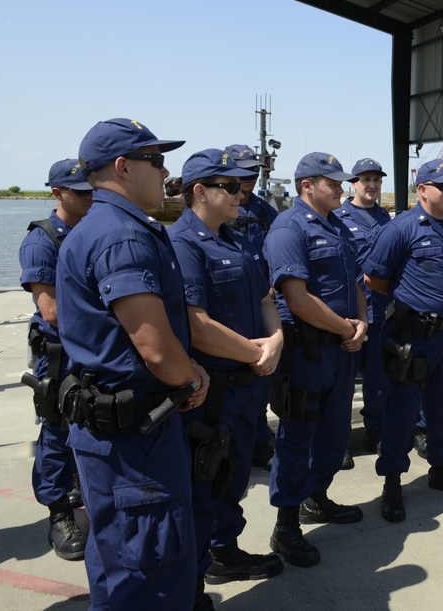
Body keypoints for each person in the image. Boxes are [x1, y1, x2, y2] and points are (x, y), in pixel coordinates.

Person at [57, 118, 209, 609]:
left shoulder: (98, 227)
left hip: (117, 434)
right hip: (135, 442)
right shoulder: (122, 235)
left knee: (118, 568)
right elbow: (156, 349)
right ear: (123, 167)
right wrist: (193, 376)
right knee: (152, 574)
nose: (166, 172)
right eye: (157, 160)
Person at [168, 149, 285, 588]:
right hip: (213, 393)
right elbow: (197, 326)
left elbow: (265, 299)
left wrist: (276, 339)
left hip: (246, 387)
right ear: (200, 191)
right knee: (204, 485)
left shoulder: (237, 239)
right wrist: (257, 354)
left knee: (232, 478)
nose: (243, 193)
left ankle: (224, 550)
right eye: (232, 187)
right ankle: (194, 579)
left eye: (242, 185)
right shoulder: (184, 244)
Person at [263, 152, 367, 568]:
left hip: (340, 349)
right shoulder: (288, 229)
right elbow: (297, 299)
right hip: (307, 350)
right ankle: (286, 525)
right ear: (307, 185)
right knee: (297, 437)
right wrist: (346, 330)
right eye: (334, 182)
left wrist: (360, 323)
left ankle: (316, 498)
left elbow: (355, 280)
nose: (342, 188)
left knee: (334, 432)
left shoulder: (337, 225)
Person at [365, 159, 443, 523]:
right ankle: (393, 482)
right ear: (422, 190)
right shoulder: (401, 228)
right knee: (402, 410)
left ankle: (441, 468)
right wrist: (412, 310)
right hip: (413, 338)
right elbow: (374, 279)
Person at [18, 158, 92, 561]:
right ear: (57, 193)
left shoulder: (93, 232)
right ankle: (58, 510)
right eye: (80, 192)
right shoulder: (43, 240)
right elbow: (52, 311)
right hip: (60, 354)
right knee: (58, 430)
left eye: (92, 191)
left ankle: (83, 489)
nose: (89, 199)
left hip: (93, 351)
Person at [223, 144, 280, 472]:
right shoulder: (215, 211)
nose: (249, 180)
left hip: (258, 304)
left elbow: (275, 248)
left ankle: (258, 441)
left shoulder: (262, 211)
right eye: (243, 173)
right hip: (225, 308)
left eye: (253, 173)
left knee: (259, 379)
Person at [335, 158, 393, 458]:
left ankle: (375, 431)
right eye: (365, 179)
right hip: (348, 315)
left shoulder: (387, 220)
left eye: (376, 180)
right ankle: (340, 440)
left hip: (381, 312)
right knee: (343, 382)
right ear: (353, 183)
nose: (372, 185)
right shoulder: (337, 218)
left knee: (379, 379)